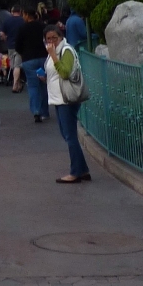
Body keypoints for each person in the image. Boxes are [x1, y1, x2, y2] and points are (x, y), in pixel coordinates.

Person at [43, 24, 92, 183]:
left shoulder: (66, 51)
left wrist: (53, 56)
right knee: (66, 134)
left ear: (61, 37)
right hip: (58, 98)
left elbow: (64, 73)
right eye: (48, 39)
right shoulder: (54, 52)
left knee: (70, 136)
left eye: (54, 38)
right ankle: (83, 170)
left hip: (67, 99)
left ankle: (75, 172)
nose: (51, 41)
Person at [15, 8, 49, 122]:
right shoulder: (42, 26)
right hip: (43, 57)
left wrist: (23, 53)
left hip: (28, 59)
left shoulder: (22, 28)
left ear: (26, 15)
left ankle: (36, 111)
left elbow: (17, 46)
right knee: (43, 84)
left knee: (33, 86)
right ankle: (45, 111)